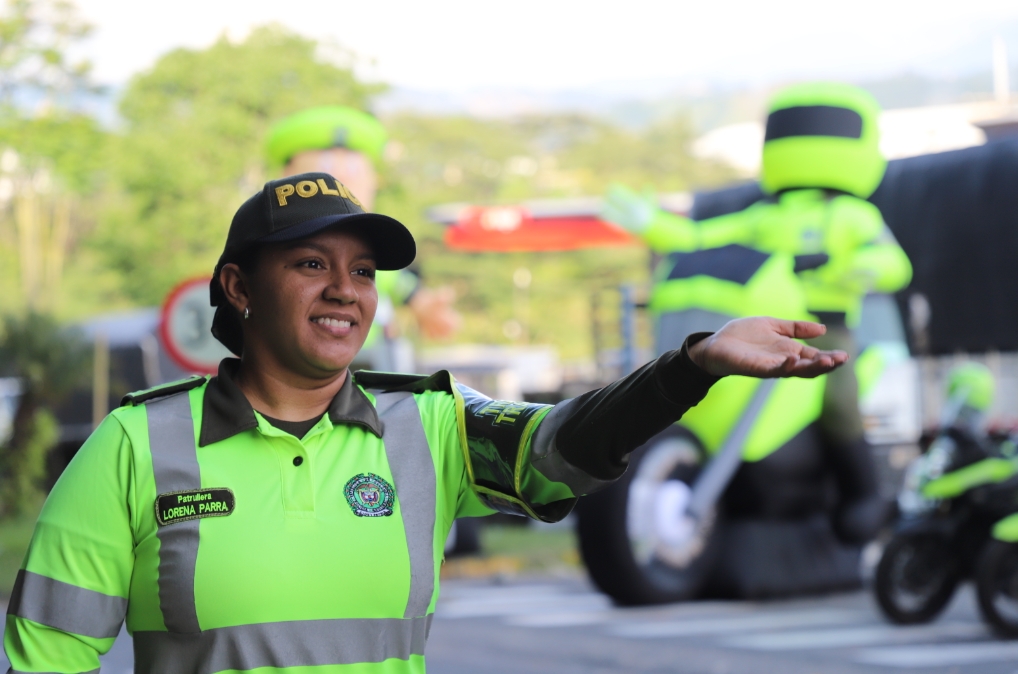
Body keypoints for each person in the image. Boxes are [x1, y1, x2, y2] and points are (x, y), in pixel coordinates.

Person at [4, 171, 846, 672]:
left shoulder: (427, 425)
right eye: (310, 264)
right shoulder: (134, 446)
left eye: (363, 271)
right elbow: (48, 663)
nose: (346, 290)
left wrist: (687, 369)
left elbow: (558, 449)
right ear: (236, 287)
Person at [602, 82, 912, 544]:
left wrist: (857, 267)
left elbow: (893, 263)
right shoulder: (763, 216)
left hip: (824, 328)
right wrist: (654, 225)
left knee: (839, 401)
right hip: (761, 327)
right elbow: (702, 238)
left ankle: (862, 494)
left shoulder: (854, 216)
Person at [267, 106, 460, 368]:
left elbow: (397, 283)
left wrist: (423, 304)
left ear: (374, 181)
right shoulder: (273, 249)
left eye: (353, 171)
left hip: (367, 368)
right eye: (325, 171)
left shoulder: (373, 251)